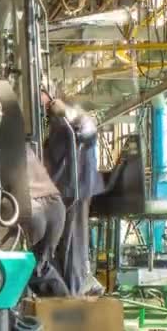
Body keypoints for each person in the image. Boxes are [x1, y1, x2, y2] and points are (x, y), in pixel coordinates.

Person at [41, 86, 106, 296]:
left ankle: (75, 293)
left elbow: (88, 132)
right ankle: (63, 294)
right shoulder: (51, 124)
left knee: (72, 245)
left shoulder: (74, 115)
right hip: (58, 192)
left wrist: (65, 113)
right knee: (56, 246)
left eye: (41, 97)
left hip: (75, 190)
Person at [22, 146, 70, 297]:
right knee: (39, 269)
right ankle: (71, 315)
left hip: (30, 207)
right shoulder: (20, 142)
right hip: (56, 206)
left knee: (12, 267)